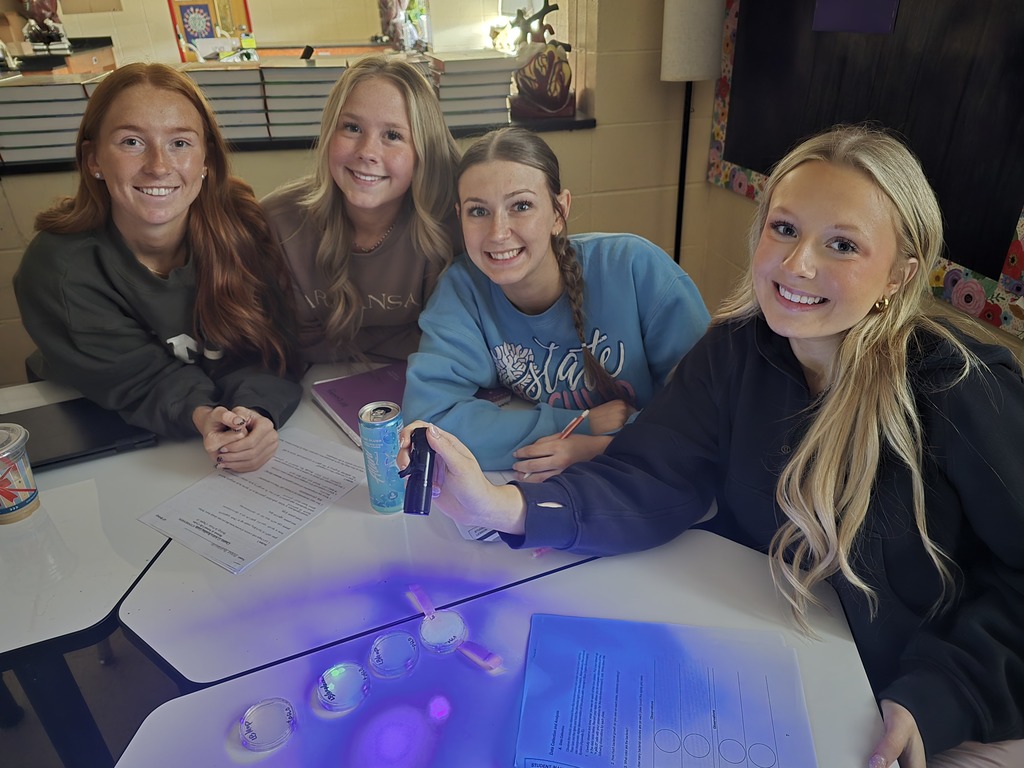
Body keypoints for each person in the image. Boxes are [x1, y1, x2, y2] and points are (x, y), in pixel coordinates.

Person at [399, 125, 1024, 767]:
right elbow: (651, 476)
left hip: (934, 707)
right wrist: (504, 507)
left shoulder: (961, 389)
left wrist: (945, 694)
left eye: (841, 244)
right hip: (779, 667)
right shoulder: (733, 354)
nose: (798, 264)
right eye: (784, 229)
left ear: (901, 274)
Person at [14, 62, 302, 473]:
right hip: (102, 431)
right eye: (132, 141)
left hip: (209, 428)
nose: (159, 166)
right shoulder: (58, 268)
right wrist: (202, 413)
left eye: (180, 143)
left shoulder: (244, 230)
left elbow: (273, 348)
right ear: (94, 159)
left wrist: (254, 413)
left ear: (206, 160)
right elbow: (137, 380)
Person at [402, 126, 710, 475]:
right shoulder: (462, 289)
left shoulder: (637, 269)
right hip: (545, 477)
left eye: (521, 206)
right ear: (459, 215)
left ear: (558, 212)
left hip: (657, 473)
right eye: (478, 211)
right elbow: (431, 423)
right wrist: (579, 425)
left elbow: (704, 411)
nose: (498, 232)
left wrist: (604, 447)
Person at [261, 54, 461, 365]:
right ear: (329, 133)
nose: (367, 152)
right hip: (308, 394)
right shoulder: (277, 222)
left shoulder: (454, 223)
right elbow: (279, 344)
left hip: (424, 392)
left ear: (423, 151)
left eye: (392, 135)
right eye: (352, 128)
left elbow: (455, 346)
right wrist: (406, 338)